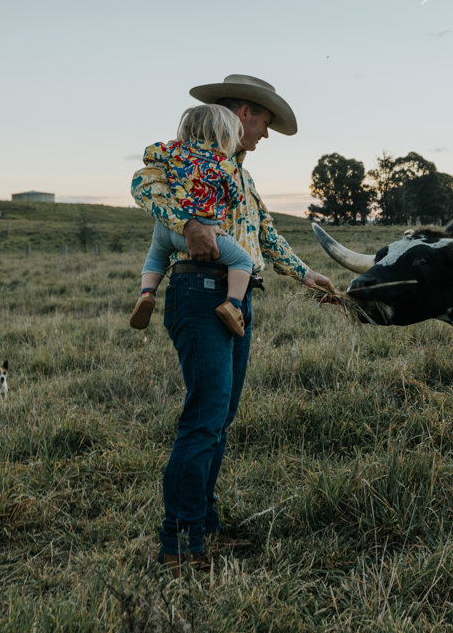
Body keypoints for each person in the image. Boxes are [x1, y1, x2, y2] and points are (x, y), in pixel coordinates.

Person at [131, 74, 336, 576]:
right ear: (244, 112)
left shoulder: (241, 177)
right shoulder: (185, 160)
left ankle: (203, 522)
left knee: (219, 420)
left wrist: (306, 273)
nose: (266, 133)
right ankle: (179, 542)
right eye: (265, 121)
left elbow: (265, 233)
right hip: (199, 290)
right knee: (204, 418)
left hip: (236, 301)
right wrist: (189, 222)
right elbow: (141, 185)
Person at [129, 103, 253, 337]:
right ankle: (233, 306)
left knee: (155, 257)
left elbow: (150, 159)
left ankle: (146, 293)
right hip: (200, 231)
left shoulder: (172, 152)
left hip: (164, 228)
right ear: (224, 135)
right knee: (244, 262)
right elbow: (235, 198)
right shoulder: (223, 164)